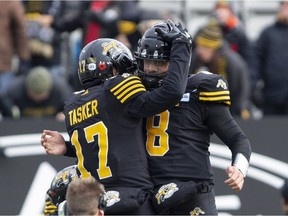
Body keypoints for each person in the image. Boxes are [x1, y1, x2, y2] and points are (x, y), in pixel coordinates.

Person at [41, 20, 192, 214]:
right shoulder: (117, 87)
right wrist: (182, 45)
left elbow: (106, 142)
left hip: (100, 203)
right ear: (112, 69)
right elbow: (170, 94)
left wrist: (67, 146)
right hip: (132, 198)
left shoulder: (72, 104)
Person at [135, 31, 252, 214]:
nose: (150, 68)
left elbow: (238, 139)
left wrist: (239, 169)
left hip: (192, 191)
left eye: (158, 62)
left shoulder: (199, 90)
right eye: (147, 61)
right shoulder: (134, 92)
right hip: (151, 193)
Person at [189, 23, 251, 119]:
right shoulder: (196, 60)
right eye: (198, 46)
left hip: (229, 113)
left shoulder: (233, 63)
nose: (198, 51)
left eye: (204, 47)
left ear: (213, 49)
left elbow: (240, 92)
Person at [252, 0, 288, 115]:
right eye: (283, 6)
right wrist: (254, 88)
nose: (285, 9)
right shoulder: (268, 33)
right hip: (271, 95)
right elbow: (255, 61)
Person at [0, 66, 72, 119]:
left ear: (49, 91)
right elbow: (4, 98)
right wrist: (11, 110)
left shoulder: (61, 90)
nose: (36, 99)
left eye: (40, 96)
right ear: (27, 90)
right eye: (33, 95)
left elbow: (73, 104)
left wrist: (65, 114)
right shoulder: (16, 88)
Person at [0, 0, 31, 94]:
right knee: (5, 99)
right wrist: (24, 58)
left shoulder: (9, 3)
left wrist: (24, 58)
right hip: (3, 61)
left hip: (3, 61)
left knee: (5, 99)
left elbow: (20, 31)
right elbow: (21, 31)